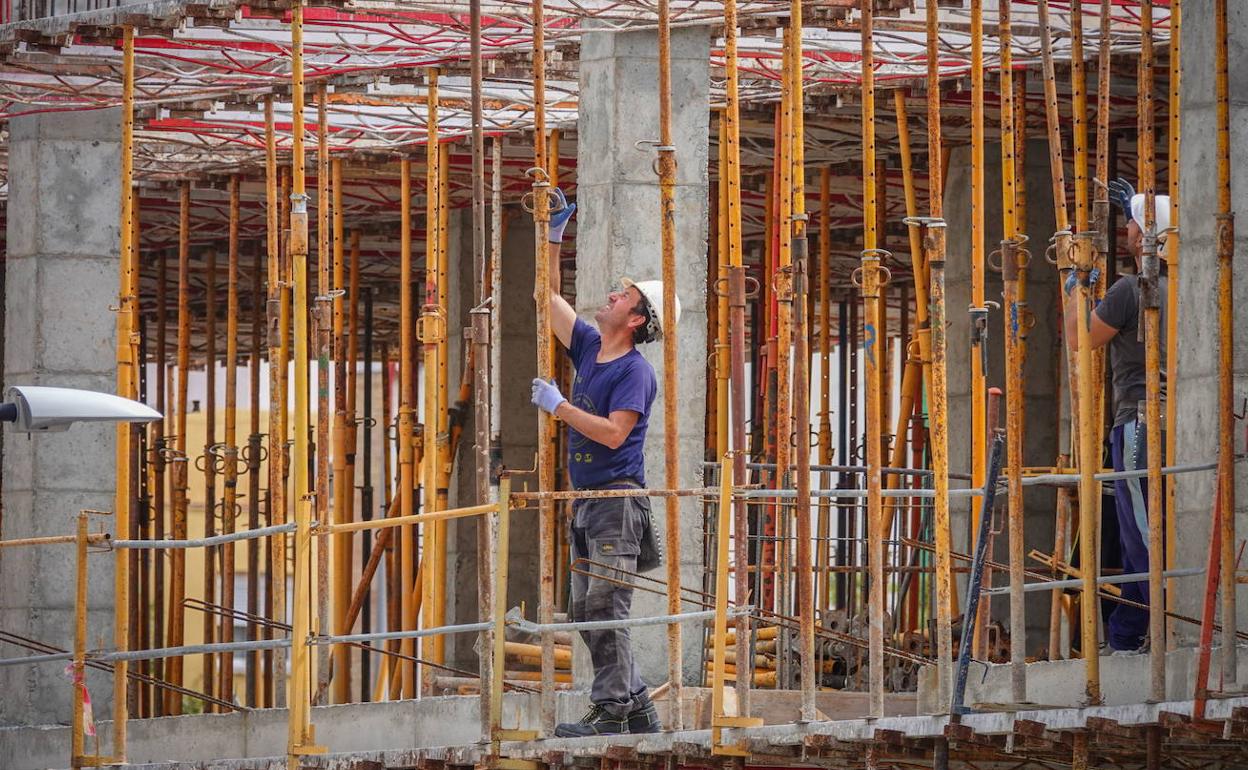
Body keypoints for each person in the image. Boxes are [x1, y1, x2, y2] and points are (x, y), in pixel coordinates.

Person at [529, 190, 681, 737]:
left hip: (617, 502)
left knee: (604, 606)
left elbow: (616, 434)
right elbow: (546, 297)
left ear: (637, 319)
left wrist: (560, 407)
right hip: (588, 503)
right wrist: (552, 236)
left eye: (624, 295)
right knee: (586, 609)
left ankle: (612, 710)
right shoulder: (591, 346)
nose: (613, 294)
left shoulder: (635, 372)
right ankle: (637, 706)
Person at [1063, 178, 1169, 655]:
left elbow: (1081, 339)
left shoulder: (1133, 289)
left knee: (1141, 533)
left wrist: (1075, 285)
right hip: (1180, 422)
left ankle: (1165, 630)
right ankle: (1128, 634)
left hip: (1139, 424)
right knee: (1141, 533)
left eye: (1132, 224)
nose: (1126, 231)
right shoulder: (1189, 287)